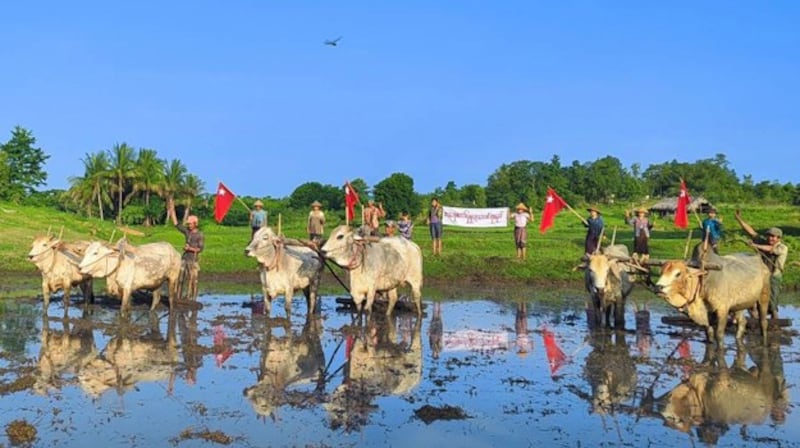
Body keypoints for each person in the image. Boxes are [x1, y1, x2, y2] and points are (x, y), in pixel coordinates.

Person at [734, 210, 788, 318]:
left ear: (779, 238)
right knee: (754, 296)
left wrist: (755, 246)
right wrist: (739, 220)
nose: (770, 238)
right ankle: (756, 317)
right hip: (760, 275)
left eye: (773, 237)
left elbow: (770, 249)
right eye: (769, 236)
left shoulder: (782, 247)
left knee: (772, 299)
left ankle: (775, 318)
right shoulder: (763, 241)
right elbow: (751, 232)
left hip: (773, 276)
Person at [173, 213, 205, 301]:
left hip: (193, 259)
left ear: (195, 224)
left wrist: (190, 248)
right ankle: (178, 296)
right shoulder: (187, 231)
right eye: (188, 224)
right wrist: (172, 211)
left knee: (193, 279)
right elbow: (177, 225)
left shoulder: (200, 235)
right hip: (184, 258)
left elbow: (200, 248)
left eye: (190, 224)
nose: (189, 225)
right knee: (180, 278)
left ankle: (192, 298)